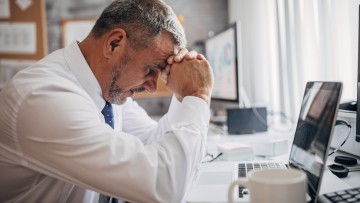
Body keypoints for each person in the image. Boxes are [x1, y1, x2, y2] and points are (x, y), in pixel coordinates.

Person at [0, 0, 213, 202]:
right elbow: (164, 188)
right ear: (113, 44)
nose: (151, 87)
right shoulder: (45, 98)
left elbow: (151, 141)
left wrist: (183, 94)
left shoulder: (105, 89)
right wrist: (197, 95)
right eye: (150, 70)